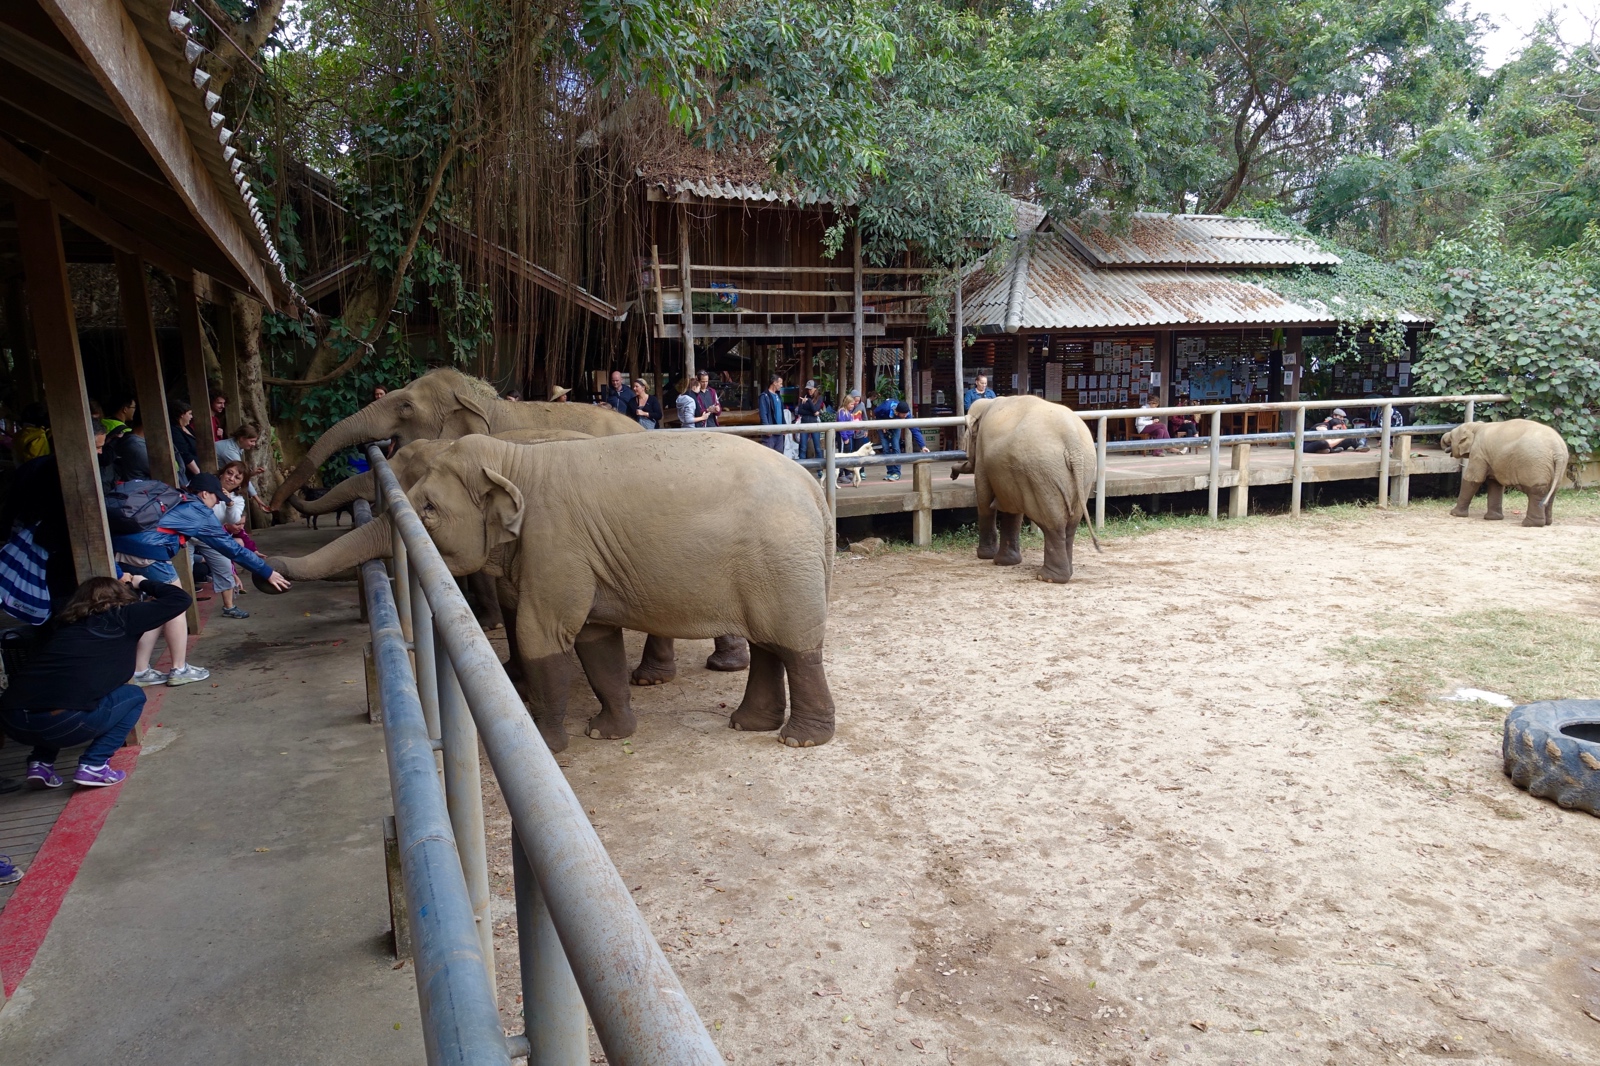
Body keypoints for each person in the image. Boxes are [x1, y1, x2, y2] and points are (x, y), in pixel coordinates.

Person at [0, 573, 191, 789]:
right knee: (133, 696)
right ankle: (94, 764)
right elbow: (180, 599)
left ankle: (40, 763)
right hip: (62, 722)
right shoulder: (123, 616)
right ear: (121, 597)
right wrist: (141, 583)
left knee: (55, 696)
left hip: (12, 720)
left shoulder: (64, 623)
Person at [113, 472, 291, 685]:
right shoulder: (197, 510)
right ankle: (179, 669)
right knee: (175, 604)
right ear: (204, 493)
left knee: (156, 607)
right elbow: (231, 548)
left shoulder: (173, 499)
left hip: (121, 550)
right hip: (149, 553)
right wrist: (266, 571)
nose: (216, 503)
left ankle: (139, 670)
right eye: (216, 498)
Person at [199, 462, 252, 619]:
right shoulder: (207, 484)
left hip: (212, 533)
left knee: (224, 565)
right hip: (191, 531)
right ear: (221, 473)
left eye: (237, 477)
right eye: (229, 473)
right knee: (184, 567)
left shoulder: (237, 499)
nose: (231, 478)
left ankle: (229, 607)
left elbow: (233, 519)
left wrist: (229, 503)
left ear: (241, 483)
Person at [873, 399, 929, 481]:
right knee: (885, 448)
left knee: (896, 446)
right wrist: (882, 425)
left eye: (906, 414)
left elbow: (915, 429)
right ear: (897, 412)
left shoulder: (907, 413)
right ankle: (890, 472)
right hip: (883, 423)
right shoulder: (885, 408)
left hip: (896, 424)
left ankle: (896, 473)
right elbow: (876, 412)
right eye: (903, 414)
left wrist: (923, 446)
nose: (905, 416)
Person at [170, 399, 200, 485]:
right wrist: (198, 474)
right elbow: (185, 454)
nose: (192, 417)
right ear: (181, 415)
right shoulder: (174, 431)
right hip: (190, 475)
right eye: (190, 414)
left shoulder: (187, 427)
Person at [796, 380, 825, 460]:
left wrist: (808, 401)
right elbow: (800, 411)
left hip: (814, 424)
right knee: (803, 448)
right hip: (804, 423)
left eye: (811, 389)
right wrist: (813, 412)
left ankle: (820, 470)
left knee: (818, 448)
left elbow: (815, 409)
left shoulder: (819, 397)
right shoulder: (804, 396)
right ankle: (802, 468)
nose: (809, 391)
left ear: (815, 389)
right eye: (808, 389)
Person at [758, 374, 785, 451]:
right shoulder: (764, 396)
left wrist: (785, 426)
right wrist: (767, 428)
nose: (781, 385)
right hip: (770, 433)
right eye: (780, 383)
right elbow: (763, 414)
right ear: (774, 383)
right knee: (769, 457)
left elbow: (781, 413)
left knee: (780, 456)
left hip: (779, 432)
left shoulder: (778, 396)